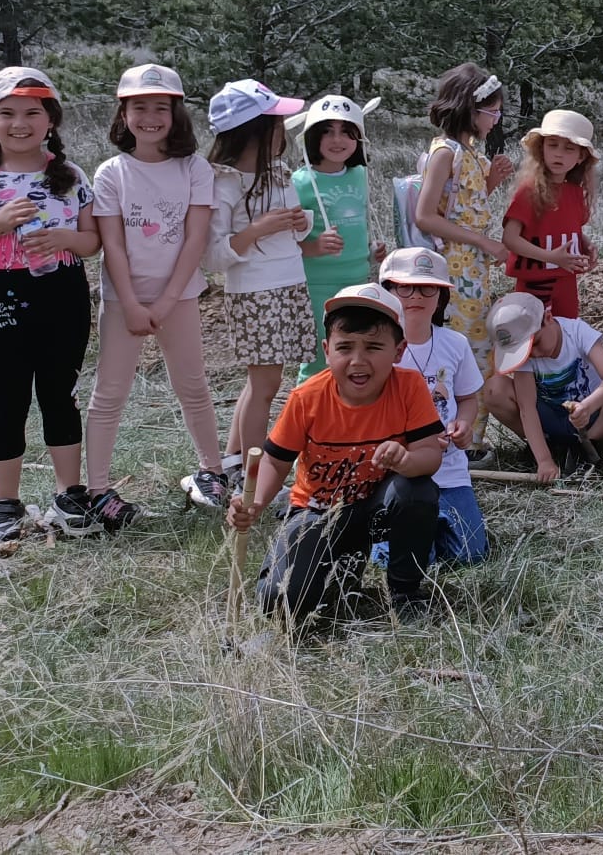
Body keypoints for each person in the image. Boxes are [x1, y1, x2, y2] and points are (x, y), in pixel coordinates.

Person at [0, 67, 100, 544]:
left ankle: (70, 494)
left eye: (33, 112)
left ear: (52, 121)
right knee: (6, 399)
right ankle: (5, 504)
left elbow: (92, 242)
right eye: (6, 113)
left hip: (62, 294)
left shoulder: (69, 175)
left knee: (59, 393)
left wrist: (66, 237)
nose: (20, 123)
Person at [228, 284, 446, 625]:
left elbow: (430, 454)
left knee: (417, 491)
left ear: (399, 350)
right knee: (280, 604)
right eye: (345, 348)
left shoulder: (409, 387)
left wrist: (406, 461)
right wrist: (254, 502)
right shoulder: (307, 398)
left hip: (377, 510)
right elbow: (274, 459)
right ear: (327, 351)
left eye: (374, 347)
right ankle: (332, 569)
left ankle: (405, 593)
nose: (358, 361)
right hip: (316, 513)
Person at [84, 64, 222, 531]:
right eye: (138, 107)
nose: (149, 117)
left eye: (160, 107)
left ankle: (213, 471)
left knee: (193, 386)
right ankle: (98, 490)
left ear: (175, 114)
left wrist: (164, 303)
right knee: (109, 394)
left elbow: (194, 239)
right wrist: (132, 304)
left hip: (178, 299)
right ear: (123, 114)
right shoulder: (111, 173)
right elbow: (113, 245)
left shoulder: (193, 168)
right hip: (123, 301)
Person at [206, 80, 316, 506]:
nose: (284, 133)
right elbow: (214, 256)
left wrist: (298, 221)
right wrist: (258, 229)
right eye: (275, 124)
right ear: (251, 129)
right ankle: (254, 476)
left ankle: (236, 461)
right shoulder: (224, 182)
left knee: (264, 383)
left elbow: (293, 231)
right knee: (265, 384)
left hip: (289, 284)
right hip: (255, 292)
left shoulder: (278, 171)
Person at [381, 248, 488, 564]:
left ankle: (435, 525)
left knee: (470, 555)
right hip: (398, 473)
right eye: (405, 287)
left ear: (440, 297)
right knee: (404, 559)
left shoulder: (455, 344)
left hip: (450, 472)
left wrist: (465, 425)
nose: (416, 296)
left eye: (428, 288)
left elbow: (468, 398)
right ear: (387, 292)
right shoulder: (378, 349)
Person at [412, 65, 515, 376]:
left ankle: (470, 420)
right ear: (471, 110)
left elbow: (461, 205)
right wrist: (484, 241)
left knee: (476, 345)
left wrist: (491, 183)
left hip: (471, 265)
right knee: (466, 345)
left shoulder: (467, 152)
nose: (496, 119)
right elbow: (425, 215)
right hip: (454, 267)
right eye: (492, 112)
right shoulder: (446, 153)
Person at [484, 290, 603, 482]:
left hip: (592, 416)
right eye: (524, 351)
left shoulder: (576, 332)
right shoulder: (529, 356)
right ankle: (546, 445)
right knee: (494, 388)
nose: (534, 353)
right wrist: (544, 461)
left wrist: (588, 407)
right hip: (550, 419)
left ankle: (589, 442)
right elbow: (527, 408)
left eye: (537, 343)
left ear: (548, 318)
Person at [293, 94, 383, 378]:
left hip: (357, 279)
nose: (337, 139)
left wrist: (371, 250)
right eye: (327, 131)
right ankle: (305, 414)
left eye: (346, 131)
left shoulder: (360, 174)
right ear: (312, 137)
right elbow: (283, 241)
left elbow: (360, 222)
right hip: (316, 283)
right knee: (320, 355)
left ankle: (342, 416)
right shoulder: (299, 182)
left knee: (350, 351)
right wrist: (313, 246)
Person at [503, 109, 599, 320]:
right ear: (541, 149)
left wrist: (586, 244)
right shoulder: (529, 190)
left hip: (565, 281)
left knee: (566, 335)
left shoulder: (575, 193)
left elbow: (569, 228)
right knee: (531, 338)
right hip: (533, 281)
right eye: (552, 145)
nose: (559, 154)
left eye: (569, 148)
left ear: (581, 156)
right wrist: (550, 257)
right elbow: (510, 238)